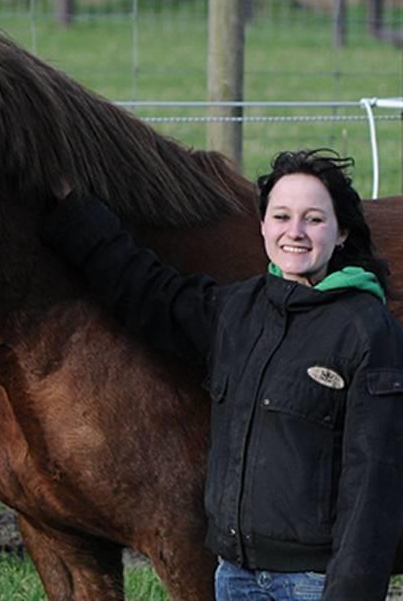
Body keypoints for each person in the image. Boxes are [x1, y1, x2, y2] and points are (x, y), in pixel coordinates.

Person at [40, 149, 403, 601]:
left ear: (342, 231)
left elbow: (373, 477)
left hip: (313, 583)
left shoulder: (367, 329)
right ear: (264, 226)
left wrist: (350, 591)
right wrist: (76, 214)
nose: (295, 232)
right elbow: (150, 292)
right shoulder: (238, 311)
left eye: (314, 219)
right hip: (234, 578)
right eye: (282, 216)